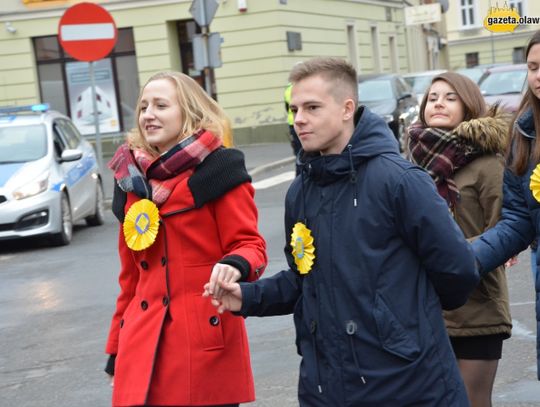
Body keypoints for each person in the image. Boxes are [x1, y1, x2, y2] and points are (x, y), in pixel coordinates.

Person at [204, 57, 480, 406]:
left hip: (408, 385)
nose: (299, 119)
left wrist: (403, 324)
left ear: (347, 108)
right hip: (325, 387)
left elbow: (458, 271)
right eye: (294, 109)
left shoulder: (400, 181)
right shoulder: (301, 191)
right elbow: (303, 279)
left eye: (312, 107)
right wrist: (248, 297)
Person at [104, 71, 267, 407]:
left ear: (189, 112)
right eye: (144, 106)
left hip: (202, 342)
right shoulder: (128, 180)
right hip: (142, 342)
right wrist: (116, 347)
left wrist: (234, 265)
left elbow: (250, 246)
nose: (148, 114)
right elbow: (131, 280)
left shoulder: (220, 169)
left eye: (161, 105)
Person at [407, 72, 512, 407]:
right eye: (433, 97)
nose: (439, 102)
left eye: (451, 97)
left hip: (476, 308)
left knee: (471, 402)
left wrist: (454, 257)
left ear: (469, 107)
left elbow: (506, 228)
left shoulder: (487, 163)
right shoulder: (411, 163)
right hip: (424, 309)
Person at [471, 29, 540, 381]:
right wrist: (461, 258)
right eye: (533, 67)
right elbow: (517, 219)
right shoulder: (523, 132)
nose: (539, 76)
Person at [285, 82, 302, 175]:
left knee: (299, 153)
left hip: (292, 124)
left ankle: (299, 175)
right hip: (295, 124)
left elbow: (286, 107)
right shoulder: (303, 85)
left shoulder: (288, 89)